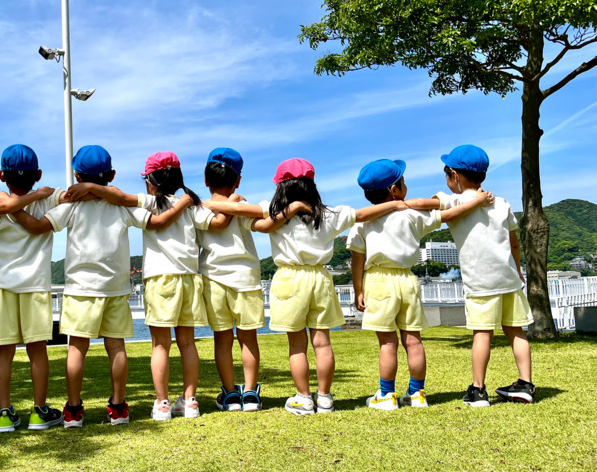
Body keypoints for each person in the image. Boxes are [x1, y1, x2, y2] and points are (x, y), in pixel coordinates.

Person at [204, 158, 406, 416]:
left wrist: (274, 208)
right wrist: (396, 204)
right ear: (311, 185)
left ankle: (303, 397)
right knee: (322, 343)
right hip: (320, 278)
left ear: (281, 187)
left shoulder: (274, 212)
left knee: (297, 345)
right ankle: (324, 398)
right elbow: (362, 214)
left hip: (289, 279)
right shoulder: (328, 213)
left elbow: (216, 206)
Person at [13, 145, 191, 427]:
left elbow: (37, 226)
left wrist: (11, 211)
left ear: (76, 174)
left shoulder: (71, 206)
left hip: (80, 288)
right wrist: (184, 202)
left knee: (76, 348)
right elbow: (156, 223)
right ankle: (118, 406)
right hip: (115, 288)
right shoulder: (121, 207)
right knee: (116, 347)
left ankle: (73, 409)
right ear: (112, 175)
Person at [346, 159, 494, 410]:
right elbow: (447, 215)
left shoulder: (363, 221)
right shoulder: (411, 215)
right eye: (403, 182)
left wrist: (358, 290)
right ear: (394, 190)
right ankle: (417, 394)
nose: (406, 185)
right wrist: (477, 201)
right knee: (413, 340)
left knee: (388, 343)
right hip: (407, 280)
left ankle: (386, 395)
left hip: (378, 280)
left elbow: (357, 260)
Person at [412, 145, 535, 407]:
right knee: (516, 331)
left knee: (482, 334)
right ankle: (525, 385)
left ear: (454, 175)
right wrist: (518, 268)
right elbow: (514, 242)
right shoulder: (501, 203)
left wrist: (397, 204)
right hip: (509, 277)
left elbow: (420, 204)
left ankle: (478, 390)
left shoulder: (454, 201)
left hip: (480, 282)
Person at [0, 144, 65, 433]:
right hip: (35, 287)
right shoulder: (48, 200)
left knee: (3, 353)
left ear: (1, 175)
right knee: (37, 352)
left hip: (2, 288)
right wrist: (39, 194)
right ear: (39, 174)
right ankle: (39, 411)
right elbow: (70, 194)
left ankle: (5, 413)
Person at [197, 148, 265, 412]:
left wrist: (226, 203)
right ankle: (250, 393)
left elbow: (214, 222)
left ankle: (230, 394)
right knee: (249, 339)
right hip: (246, 278)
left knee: (222, 340)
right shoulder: (244, 208)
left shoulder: (198, 210)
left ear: (205, 179)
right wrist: (236, 202)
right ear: (238, 180)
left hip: (213, 278)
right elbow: (262, 217)